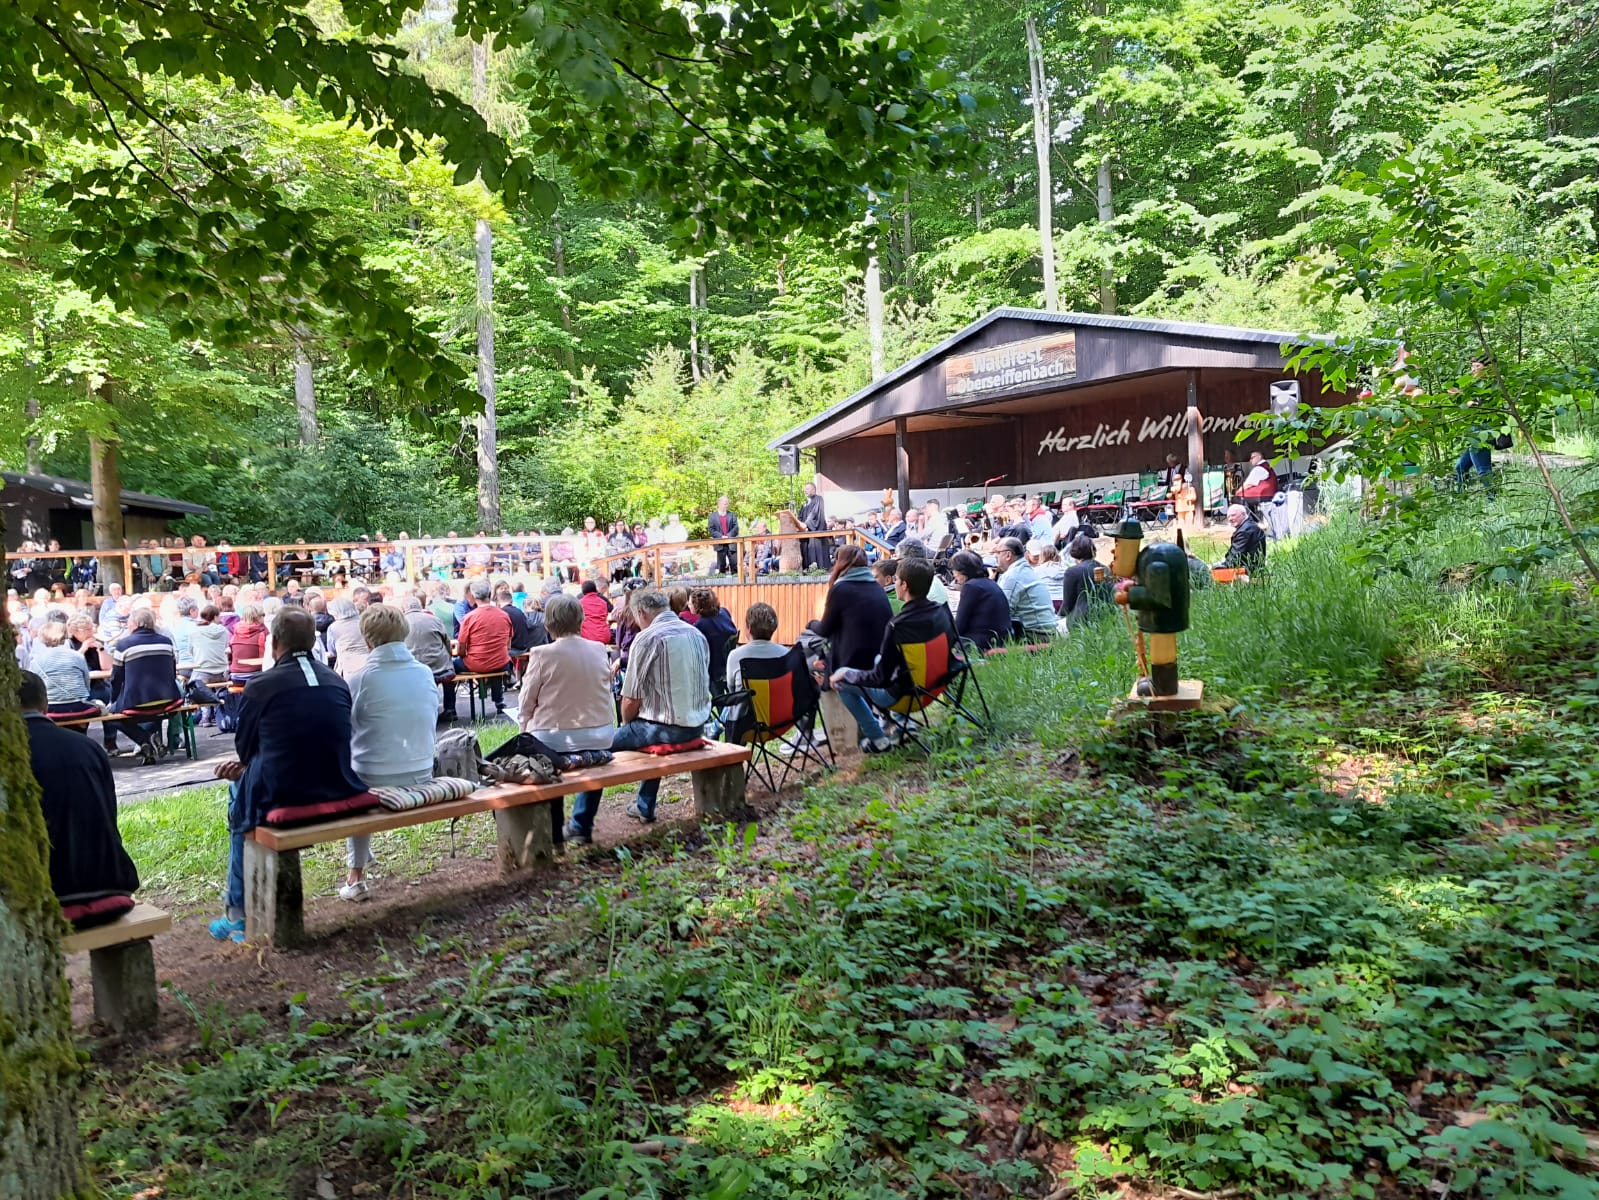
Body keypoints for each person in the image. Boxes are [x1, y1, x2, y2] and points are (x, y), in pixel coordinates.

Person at [209, 609, 367, 943]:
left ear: (274, 642)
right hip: (339, 783)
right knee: (245, 783)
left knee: (240, 798)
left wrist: (246, 767)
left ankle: (237, 913)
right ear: (313, 641)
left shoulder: (260, 686)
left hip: (285, 793)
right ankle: (236, 910)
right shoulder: (335, 680)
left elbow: (245, 749)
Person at [20, 671, 141, 928]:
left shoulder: (12, 752)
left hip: (46, 897)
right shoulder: (88, 747)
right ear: (45, 704)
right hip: (112, 883)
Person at [341, 605, 438, 902]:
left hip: (372, 776)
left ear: (368, 641)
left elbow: (348, 729)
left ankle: (355, 876)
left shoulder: (359, 679)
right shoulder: (424, 673)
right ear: (404, 635)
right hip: (422, 770)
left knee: (353, 768)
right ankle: (360, 864)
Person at [508, 594, 617, 846]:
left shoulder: (542, 654)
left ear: (548, 625)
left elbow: (526, 701)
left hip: (553, 738)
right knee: (589, 760)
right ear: (581, 620)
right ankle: (582, 825)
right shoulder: (599, 649)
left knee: (547, 765)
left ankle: (556, 833)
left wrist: (523, 727)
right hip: (600, 735)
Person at [830, 558, 962, 752]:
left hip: (907, 695)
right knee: (878, 659)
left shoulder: (898, 626)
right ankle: (904, 724)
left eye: (897, 580)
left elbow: (879, 678)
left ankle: (878, 740)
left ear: (904, 585)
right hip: (935, 687)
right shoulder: (941, 612)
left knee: (841, 682)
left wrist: (846, 673)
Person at [608, 589, 711, 823]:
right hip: (697, 725)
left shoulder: (646, 639)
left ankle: (579, 824)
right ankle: (644, 805)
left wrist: (627, 725)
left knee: (599, 748)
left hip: (666, 729)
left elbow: (630, 699)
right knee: (652, 723)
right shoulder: (696, 633)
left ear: (641, 613)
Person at [810, 544, 894, 681]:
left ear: (840, 563)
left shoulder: (841, 588)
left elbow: (824, 629)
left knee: (807, 654)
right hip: (880, 657)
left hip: (852, 662)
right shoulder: (876, 587)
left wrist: (810, 624)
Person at [110, 608, 182, 763]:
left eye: (129, 623)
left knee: (110, 716)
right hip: (169, 699)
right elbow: (173, 671)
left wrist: (113, 699)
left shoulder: (124, 645)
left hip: (138, 702)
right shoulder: (166, 642)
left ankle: (145, 739)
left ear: (135, 624)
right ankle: (148, 745)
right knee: (153, 708)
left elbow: (116, 678)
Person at [455, 578, 513, 715]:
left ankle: (450, 708)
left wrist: (463, 655)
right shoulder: (504, 615)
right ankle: (499, 700)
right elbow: (508, 644)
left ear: (474, 597)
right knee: (497, 659)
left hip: (476, 663)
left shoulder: (469, 617)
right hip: (501, 662)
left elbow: (461, 647)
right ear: (489, 593)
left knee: (450, 667)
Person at [994, 537, 1055, 643]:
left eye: (998, 552)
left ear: (1008, 555)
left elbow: (1001, 612)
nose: (995, 556)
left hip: (1034, 636)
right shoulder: (1025, 570)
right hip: (1047, 632)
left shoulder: (1012, 576)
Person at [33, 621, 95, 721]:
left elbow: (36, 688)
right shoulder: (77, 656)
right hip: (78, 706)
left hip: (50, 708)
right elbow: (86, 684)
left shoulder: (36, 661)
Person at [949, 550, 1010, 652]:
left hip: (982, 642)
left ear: (962, 571)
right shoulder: (989, 583)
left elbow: (959, 626)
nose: (953, 574)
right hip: (1001, 638)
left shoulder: (971, 587)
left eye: (954, 570)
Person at [690, 587, 738, 692]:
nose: (688, 605)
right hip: (729, 664)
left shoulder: (700, 625)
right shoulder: (724, 612)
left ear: (697, 606)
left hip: (714, 670)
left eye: (690, 603)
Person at [1058, 536, 1110, 625]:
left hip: (1080, 621)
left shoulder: (1072, 572)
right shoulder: (1105, 569)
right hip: (1105, 618)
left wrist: (1058, 616)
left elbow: (1067, 606)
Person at [327, 598, 370, 680]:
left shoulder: (333, 627)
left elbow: (332, 651)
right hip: (368, 662)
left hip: (347, 666)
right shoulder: (365, 622)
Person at [1218, 504, 1267, 571]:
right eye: (1228, 517)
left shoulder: (1245, 530)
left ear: (1243, 514)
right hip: (1254, 567)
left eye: (1233, 515)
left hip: (1249, 569)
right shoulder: (1249, 526)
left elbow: (1235, 556)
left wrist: (1222, 566)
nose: (1230, 519)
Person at [228, 603, 268, 676]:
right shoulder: (263, 633)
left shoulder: (235, 632)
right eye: (263, 615)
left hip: (235, 674)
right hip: (256, 673)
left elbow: (230, 655)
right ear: (258, 617)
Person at [798, 481, 830, 570]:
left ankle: (819, 572)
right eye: (805, 489)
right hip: (806, 534)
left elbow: (814, 513)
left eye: (807, 489)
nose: (805, 491)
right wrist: (798, 524)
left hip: (816, 534)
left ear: (814, 490)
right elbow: (800, 516)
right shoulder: (805, 504)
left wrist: (805, 524)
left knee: (816, 556)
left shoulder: (818, 499)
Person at [1027, 541, 1067, 610]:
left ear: (1042, 555)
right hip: (1063, 600)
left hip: (1047, 601)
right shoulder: (1064, 568)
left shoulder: (1038, 570)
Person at [708, 495, 739, 574]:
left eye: (727, 504)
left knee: (734, 565)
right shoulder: (712, 516)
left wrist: (728, 536)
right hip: (720, 544)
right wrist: (721, 536)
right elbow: (711, 529)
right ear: (719, 504)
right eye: (724, 504)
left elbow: (736, 528)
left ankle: (735, 583)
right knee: (721, 566)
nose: (726, 506)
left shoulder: (732, 515)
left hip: (731, 542)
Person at [578, 580, 613, 645]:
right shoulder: (603, 602)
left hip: (588, 637)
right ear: (595, 589)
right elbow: (612, 610)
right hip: (605, 637)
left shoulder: (579, 603)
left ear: (583, 591)